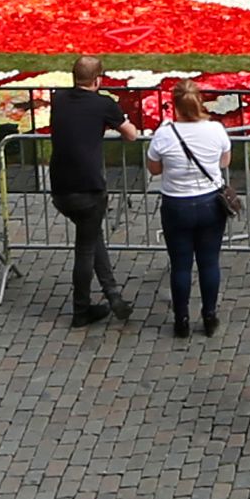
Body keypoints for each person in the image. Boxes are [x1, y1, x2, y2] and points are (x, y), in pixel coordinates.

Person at [144, 86, 237, 339]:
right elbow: (224, 161)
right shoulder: (215, 130)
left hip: (176, 205)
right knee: (209, 262)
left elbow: (154, 169)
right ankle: (209, 316)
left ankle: (181, 319)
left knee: (180, 265)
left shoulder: (164, 134)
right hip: (209, 203)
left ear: (174, 105)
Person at [46, 68, 129, 328]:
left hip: (60, 187)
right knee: (85, 248)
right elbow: (132, 134)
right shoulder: (103, 104)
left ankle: (113, 294)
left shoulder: (58, 99)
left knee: (91, 237)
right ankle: (81, 309)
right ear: (98, 80)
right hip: (88, 188)